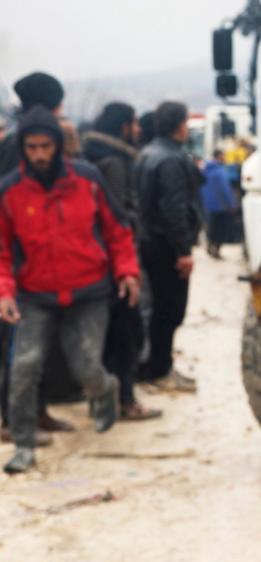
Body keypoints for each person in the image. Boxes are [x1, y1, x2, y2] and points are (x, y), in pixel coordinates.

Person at [0, 106, 140, 474]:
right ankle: (24, 445)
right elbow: (1, 251)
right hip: (35, 295)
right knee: (23, 368)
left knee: (86, 367)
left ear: (59, 145)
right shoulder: (10, 191)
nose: (40, 155)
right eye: (32, 147)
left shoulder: (88, 179)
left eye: (46, 146)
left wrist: (127, 273)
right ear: (23, 148)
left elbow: (118, 231)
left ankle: (105, 391)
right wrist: (5, 292)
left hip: (88, 292)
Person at [0, 72, 82, 443]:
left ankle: (38, 411)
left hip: (41, 260)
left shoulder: (27, 139)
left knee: (38, 345)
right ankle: (13, 420)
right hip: (17, 260)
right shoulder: (18, 146)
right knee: (16, 348)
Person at [83, 102, 162, 421]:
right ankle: (125, 401)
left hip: (97, 263)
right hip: (118, 262)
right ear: (122, 127)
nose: (138, 129)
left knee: (103, 337)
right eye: (133, 123)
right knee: (126, 334)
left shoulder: (92, 156)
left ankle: (102, 401)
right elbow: (117, 217)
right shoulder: (115, 163)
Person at [134, 102, 203, 393]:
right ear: (180, 125)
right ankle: (160, 371)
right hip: (167, 247)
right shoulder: (171, 159)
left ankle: (155, 367)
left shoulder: (147, 154)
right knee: (170, 311)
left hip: (149, 243)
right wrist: (183, 251)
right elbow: (174, 209)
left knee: (158, 310)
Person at [200, 150, 239, 259]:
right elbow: (225, 190)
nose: (225, 158)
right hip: (220, 206)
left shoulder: (205, 169)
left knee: (211, 228)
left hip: (208, 205)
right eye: (223, 155)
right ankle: (216, 250)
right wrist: (231, 204)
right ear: (219, 156)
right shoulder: (220, 171)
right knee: (221, 230)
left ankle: (210, 246)